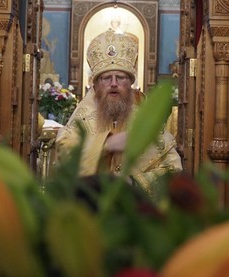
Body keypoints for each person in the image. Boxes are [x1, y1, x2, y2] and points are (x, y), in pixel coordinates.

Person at [55, 28, 182, 198]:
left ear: (130, 83)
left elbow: (173, 169)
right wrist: (106, 146)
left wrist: (133, 182)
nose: (114, 83)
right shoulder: (81, 120)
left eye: (121, 77)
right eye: (106, 78)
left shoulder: (145, 121)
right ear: (95, 85)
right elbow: (66, 162)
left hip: (135, 207)